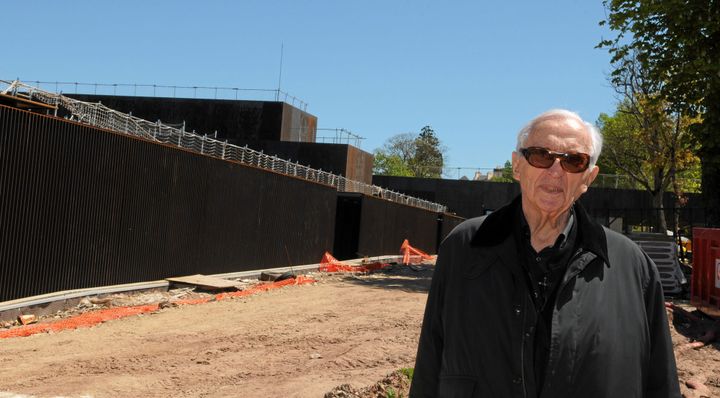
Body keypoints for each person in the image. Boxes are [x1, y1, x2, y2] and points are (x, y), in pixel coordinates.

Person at [410, 109, 680, 398]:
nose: (555, 171)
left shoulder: (631, 265)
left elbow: (659, 381)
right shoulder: (464, 247)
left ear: (589, 177)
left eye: (573, 161)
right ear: (517, 166)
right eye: (541, 155)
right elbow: (430, 360)